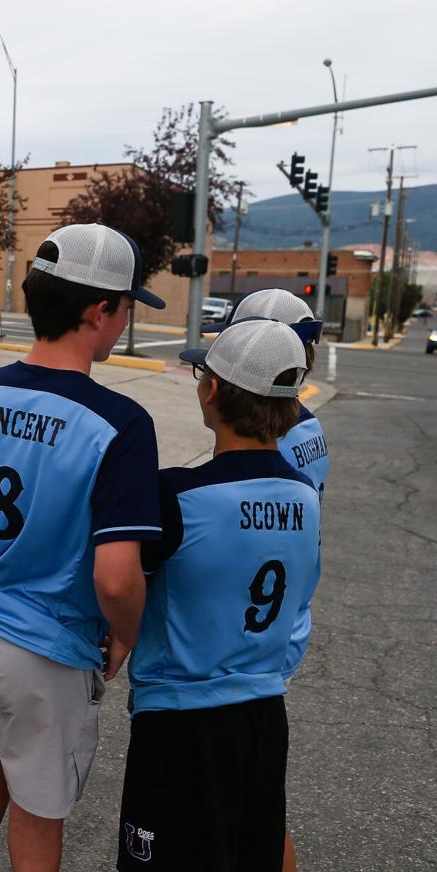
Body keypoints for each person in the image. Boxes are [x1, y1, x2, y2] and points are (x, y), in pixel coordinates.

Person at [0, 223, 166, 872]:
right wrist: (127, 636)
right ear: (98, 310)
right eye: (127, 304)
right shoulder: (121, 425)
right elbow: (117, 580)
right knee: (36, 817)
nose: (128, 317)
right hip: (45, 651)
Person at [117, 319, 322, 871]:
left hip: (182, 720)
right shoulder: (305, 495)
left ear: (211, 391)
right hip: (262, 712)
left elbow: (118, 582)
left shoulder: (177, 495)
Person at [206, 288, 329, 872]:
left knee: (241, 807)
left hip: (241, 635)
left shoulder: (284, 441)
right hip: (282, 617)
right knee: (258, 799)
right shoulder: (307, 427)